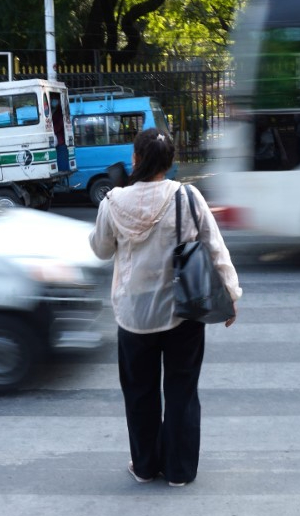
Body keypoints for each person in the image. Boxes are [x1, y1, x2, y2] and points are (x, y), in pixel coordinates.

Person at [89, 128, 241, 487]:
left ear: (136, 159)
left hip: (133, 314)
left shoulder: (113, 202)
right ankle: (179, 472)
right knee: (181, 391)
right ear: (171, 162)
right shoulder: (188, 197)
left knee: (139, 394)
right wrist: (230, 294)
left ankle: (144, 467)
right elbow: (214, 248)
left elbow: (101, 249)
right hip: (182, 311)